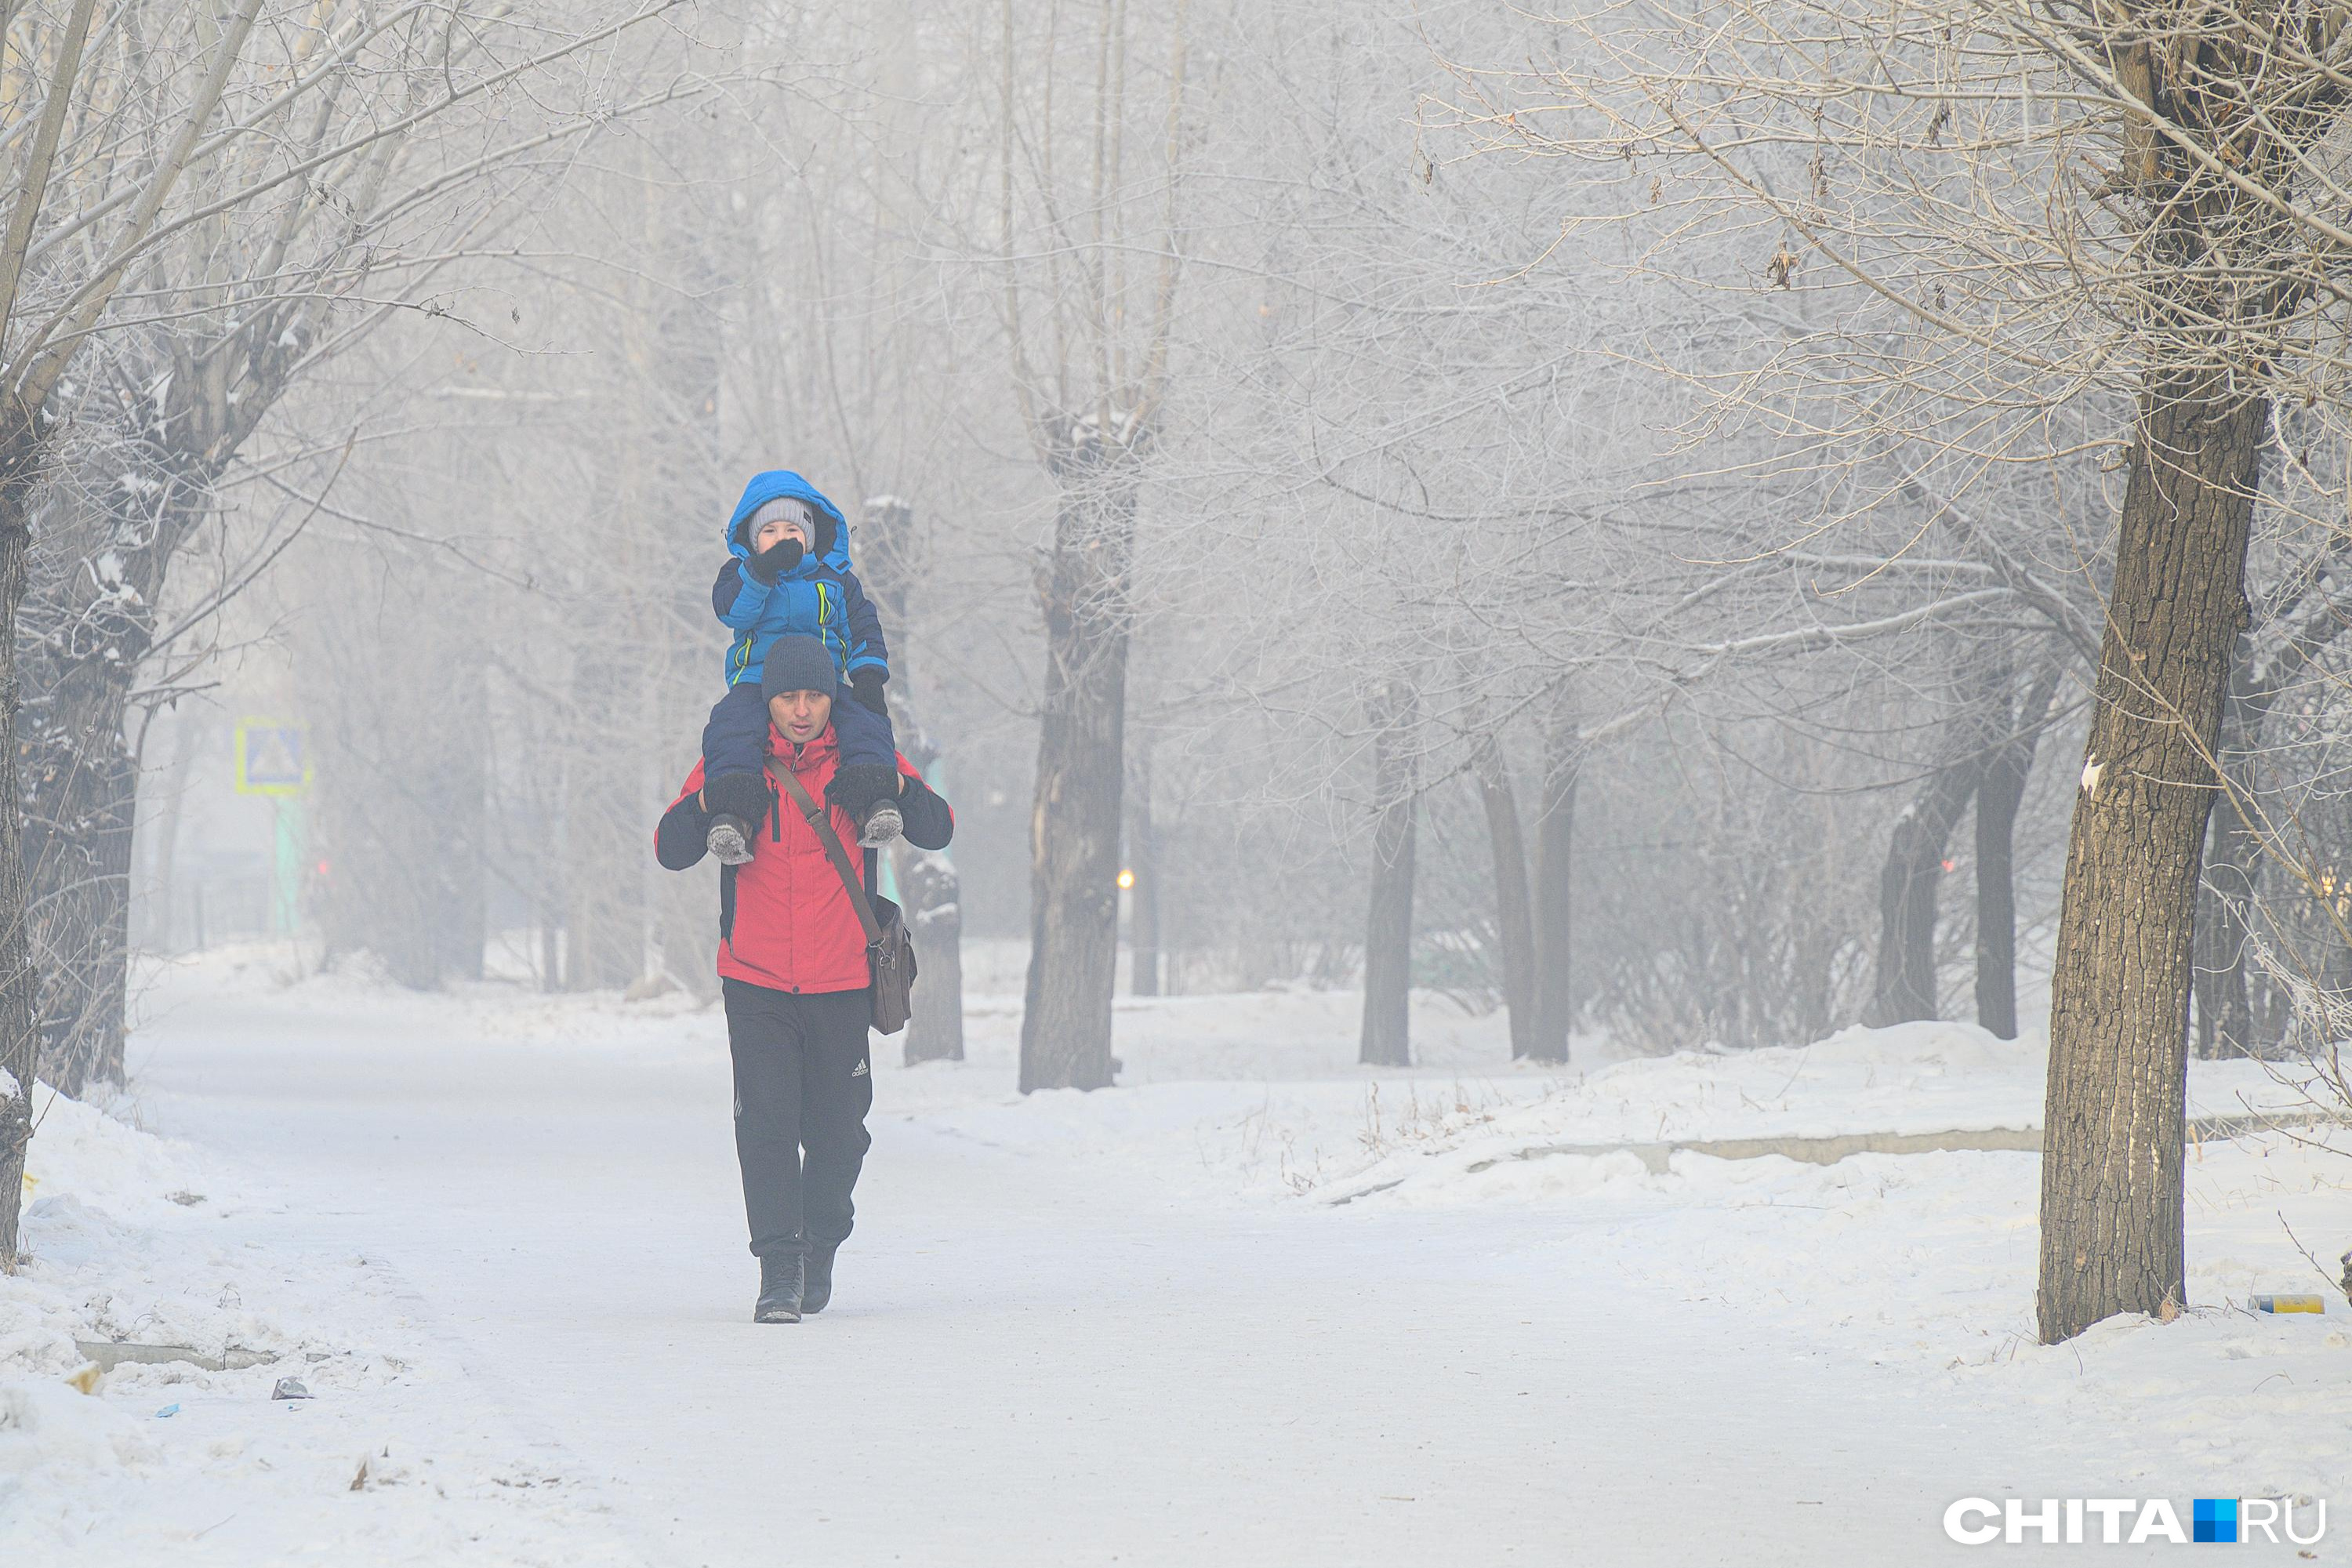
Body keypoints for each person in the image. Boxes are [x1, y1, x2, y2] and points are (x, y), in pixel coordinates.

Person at [655, 634, 954, 1323]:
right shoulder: (738, 764)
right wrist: (709, 804)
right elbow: (670, 848)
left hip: (841, 979)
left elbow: (938, 829)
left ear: (831, 699)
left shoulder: (861, 761)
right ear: (768, 699)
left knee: (840, 1131)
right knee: (765, 1126)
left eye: (814, 696)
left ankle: (821, 1242)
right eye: (787, 696)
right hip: (756, 981)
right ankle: (779, 1268)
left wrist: (897, 786)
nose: (800, 710)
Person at [699, 470, 904, 868]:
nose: (781, 538)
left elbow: (862, 626)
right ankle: (734, 813)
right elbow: (731, 611)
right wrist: (761, 572)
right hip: (756, 681)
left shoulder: (835, 580)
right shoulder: (740, 576)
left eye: (792, 528)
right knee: (731, 727)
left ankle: (872, 800)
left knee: (864, 722)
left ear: (809, 535)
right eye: (770, 531)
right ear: (753, 539)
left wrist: (867, 676)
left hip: (822, 682)